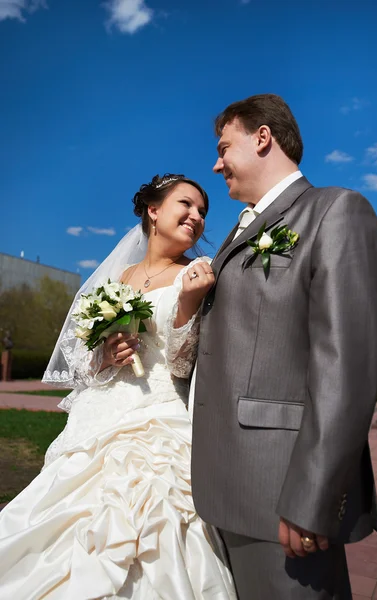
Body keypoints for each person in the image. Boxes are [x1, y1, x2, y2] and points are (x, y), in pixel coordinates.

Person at [0, 174, 236, 600]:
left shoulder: (197, 275)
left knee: (158, 518)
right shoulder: (117, 275)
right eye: (186, 204)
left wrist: (187, 303)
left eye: (203, 211)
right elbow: (84, 361)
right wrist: (106, 354)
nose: (197, 217)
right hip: (99, 416)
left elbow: (183, 364)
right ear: (153, 211)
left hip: (159, 418)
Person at [190, 94, 377, 599]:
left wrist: (312, 499)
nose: (216, 164)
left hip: (280, 496)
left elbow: (345, 369)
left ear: (262, 138)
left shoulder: (336, 211)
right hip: (224, 490)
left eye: (223, 147)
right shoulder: (243, 229)